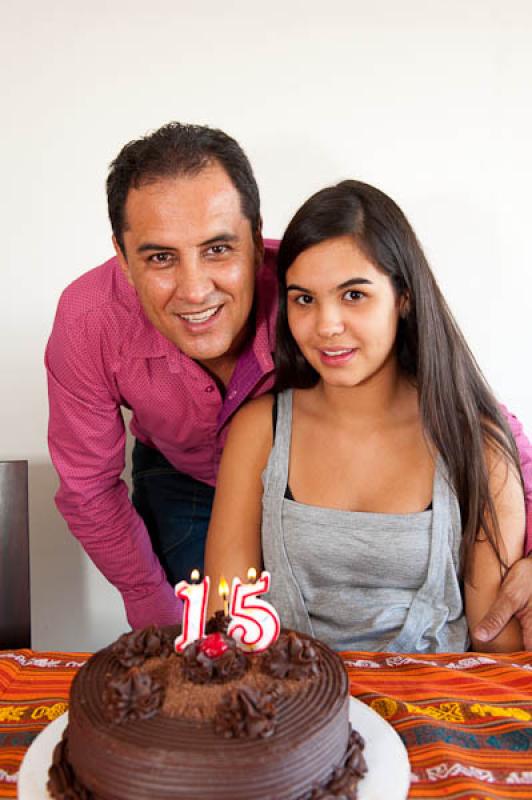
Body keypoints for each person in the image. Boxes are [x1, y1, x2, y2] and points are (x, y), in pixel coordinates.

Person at [46, 122, 532, 641]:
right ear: (122, 256)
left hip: (321, 476)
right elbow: (88, 489)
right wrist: (162, 619)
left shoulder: (313, 280)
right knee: (205, 639)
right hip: (181, 471)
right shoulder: (87, 322)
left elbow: (475, 421)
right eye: (161, 257)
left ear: (256, 242)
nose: (194, 290)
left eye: (217, 250)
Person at [205, 180, 526, 652]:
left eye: (354, 295)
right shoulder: (259, 430)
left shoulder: (475, 440)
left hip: (434, 712)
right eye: (304, 299)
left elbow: (498, 646)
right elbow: (224, 618)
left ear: (404, 297)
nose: (326, 325)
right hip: (284, 711)